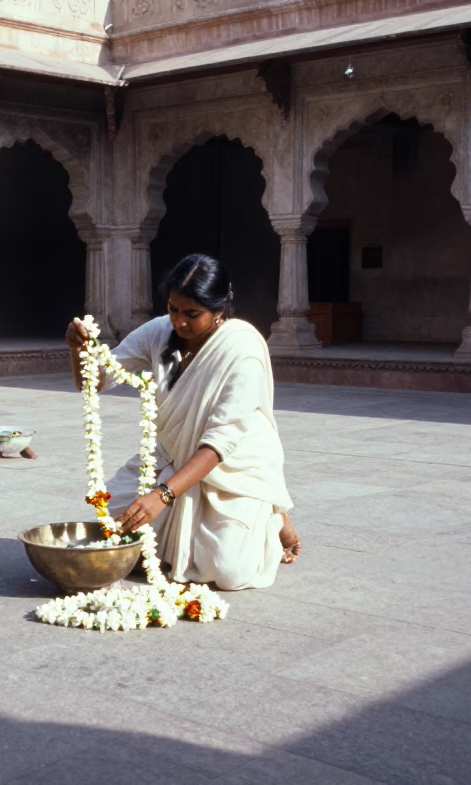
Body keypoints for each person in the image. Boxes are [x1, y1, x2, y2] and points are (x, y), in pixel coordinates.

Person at [65, 253, 301, 591]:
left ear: (220, 309)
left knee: (228, 571)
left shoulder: (242, 349)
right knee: (111, 526)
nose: (179, 322)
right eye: (174, 308)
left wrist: (161, 495)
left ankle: (270, 515)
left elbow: (220, 442)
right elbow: (94, 381)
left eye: (192, 314)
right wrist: (79, 349)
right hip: (170, 458)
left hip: (230, 469)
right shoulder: (160, 331)